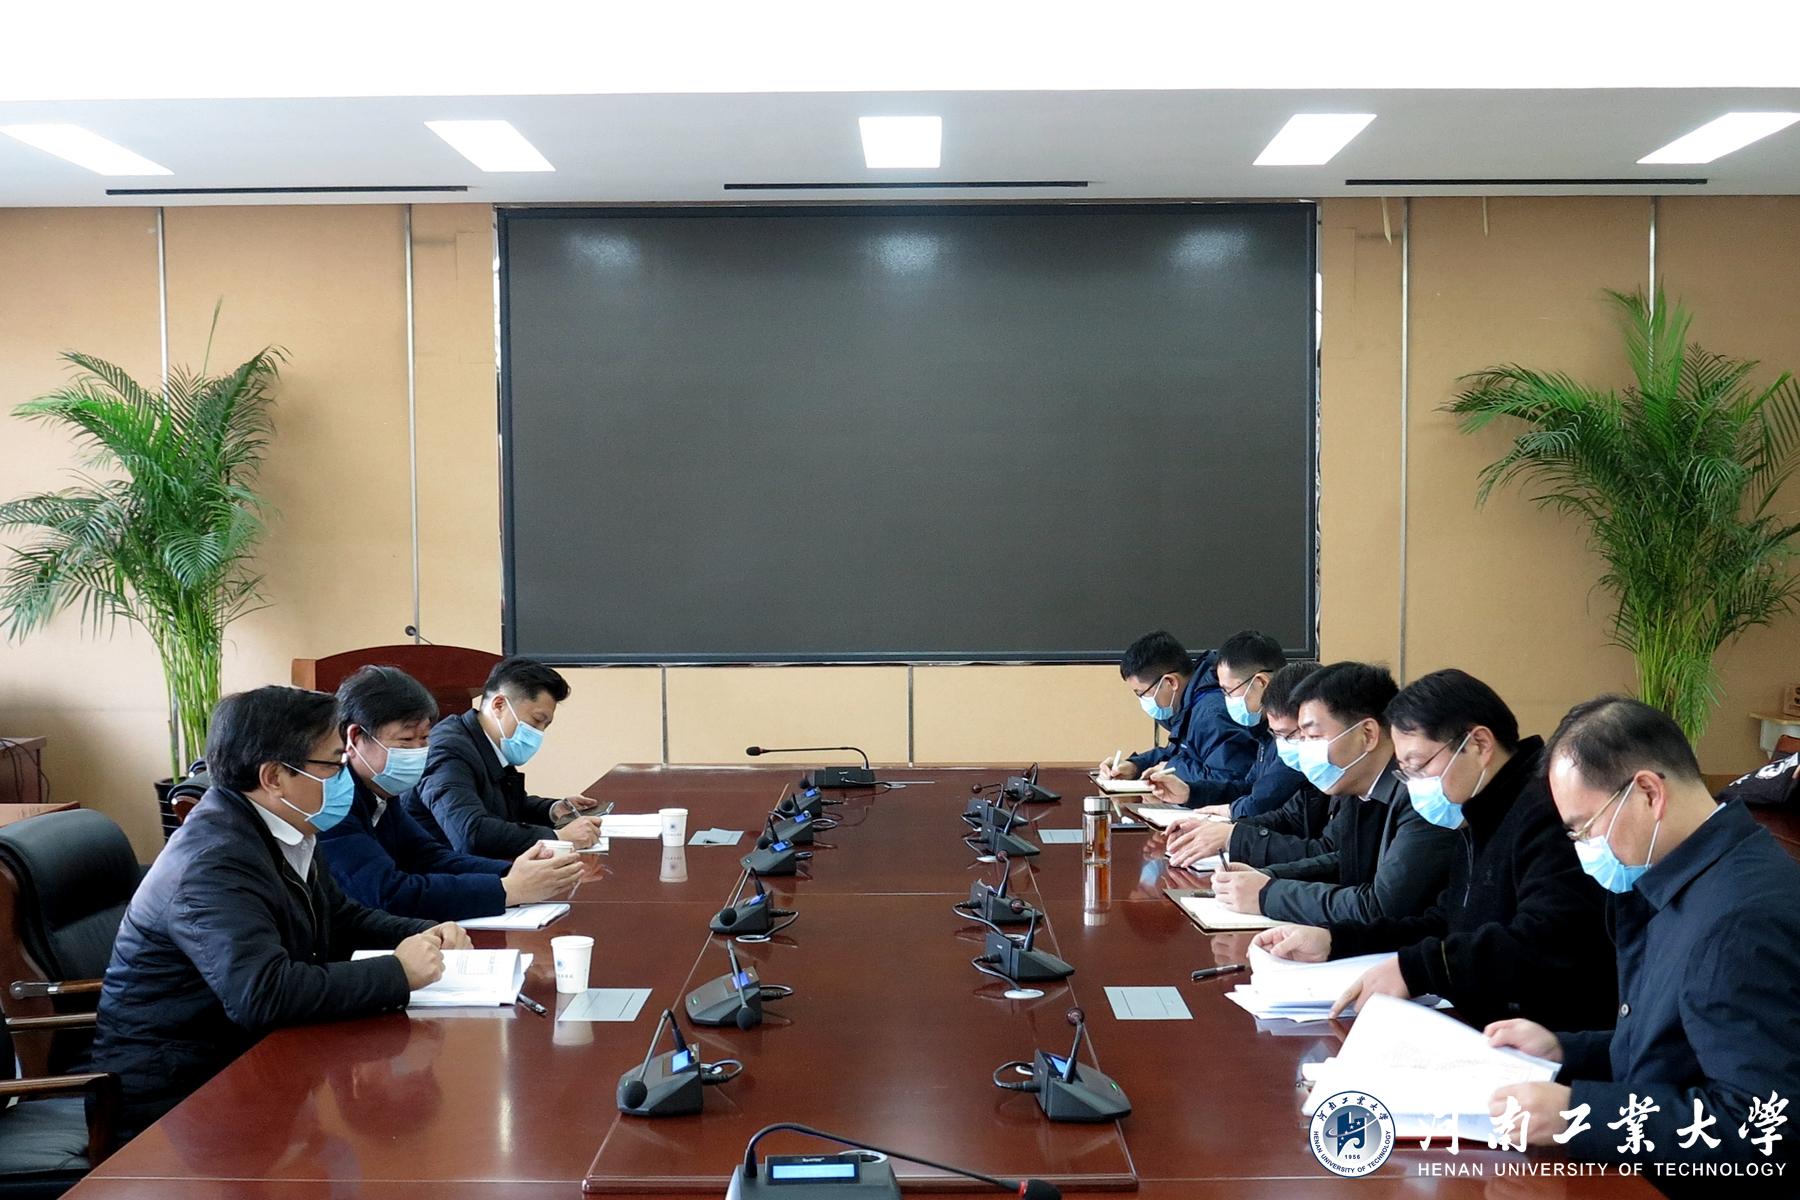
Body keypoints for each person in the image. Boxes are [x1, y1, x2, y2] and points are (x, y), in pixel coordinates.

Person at [90, 686, 465, 1138]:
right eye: (333, 764)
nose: (344, 776)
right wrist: (397, 973)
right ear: (274, 777)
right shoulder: (213, 862)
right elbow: (262, 994)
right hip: (178, 1098)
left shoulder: (286, 826)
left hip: (246, 1057)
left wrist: (425, 932)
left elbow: (340, 917)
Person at [1486, 697, 1800, 1185]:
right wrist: (1565, 1050)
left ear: (1649, 793)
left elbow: (1763, 1127)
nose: (1583, 849)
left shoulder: (1740, 919)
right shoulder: (1687, 875)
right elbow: (1678, 1045)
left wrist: (1579, 1114)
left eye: (1583, 828)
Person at [1252, 669, 1617, 1030]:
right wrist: (1336, 940)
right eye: (1405, 772)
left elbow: (1544, 939)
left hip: (1547, 1039)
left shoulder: (1545, 812)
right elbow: (1446, 922)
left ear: (1479, 744)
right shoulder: (1477, 811)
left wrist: (1418, 969)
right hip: (1488, 1024)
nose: (1414, 785)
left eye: (1419, 766)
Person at [320, 665, 584, 921]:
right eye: (406, 740)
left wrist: (516, 872)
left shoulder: (381, 792)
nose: (419, 751)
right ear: (355, 737)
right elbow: (390, 894)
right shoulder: (330, 803)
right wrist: (507, 889)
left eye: (424, 738)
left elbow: (430, 858)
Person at [1204, 661, 1456, 925]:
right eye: (1301, 737)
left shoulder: (1421, 798)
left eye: (1313, 736)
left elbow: (1381, 907)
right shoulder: (1356, 785)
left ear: (1368, 734)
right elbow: (1345, 862)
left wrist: (1267, 894)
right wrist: (1267, 877)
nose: (1304, 749)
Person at [408, 657, 606, 858]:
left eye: (545, 726)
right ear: (499, 705)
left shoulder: (486, 743)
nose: (538, 733)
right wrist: (557, 837)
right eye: (536, 720)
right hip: (436, 870)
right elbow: (471, 833)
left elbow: (505, 808)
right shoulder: (448, 751)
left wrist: (553, 810)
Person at [1162, 661, 1326, 867]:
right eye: (1276, 735)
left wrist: (1234, 836)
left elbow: (1330, 855)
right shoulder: (1267, 736)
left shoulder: (1330, 772)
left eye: (1228, 690)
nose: (1283, 744)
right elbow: (1289, 816)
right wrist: (1193, 795)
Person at [1146, 631, 1306, 818]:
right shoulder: (1264, 731)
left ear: (1261, 682)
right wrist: (1190, 793)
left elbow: (1262, 802)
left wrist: (1228, 811)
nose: (1225, 699)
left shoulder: (1293, 732)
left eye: (1229, 691)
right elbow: (1247, 788)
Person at [1095, 630, 1258, 787]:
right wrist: (1136, 766)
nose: (1143, 701)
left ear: (1171, 682)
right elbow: (1180, 752)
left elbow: (1231, 779)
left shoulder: (1210, 715)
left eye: (1142, 693)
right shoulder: (1190, 704)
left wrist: (1172, 770)